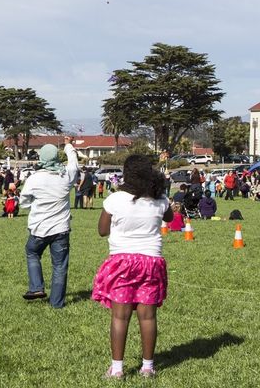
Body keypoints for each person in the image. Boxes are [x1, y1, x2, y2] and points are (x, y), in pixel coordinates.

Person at [92, 154, 173, 380]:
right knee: (148, 317)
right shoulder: (160, 199)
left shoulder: (115, 200)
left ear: (126, 174)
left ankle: (117, 369)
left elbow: (102, 230)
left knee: (120, 317)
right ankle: (148, 367)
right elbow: (170, 216)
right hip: (151, 261)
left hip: (122, 262)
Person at [19, 140, 79, 308]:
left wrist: (36, 205)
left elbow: (23, 202)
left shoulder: (34, 179)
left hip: (39, 227)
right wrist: (68, 145)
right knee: (60, 266)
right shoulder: (65, 176)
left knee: (32, 253)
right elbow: (74, 163)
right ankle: (57, 303)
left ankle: (36, 287)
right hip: (61, 229)